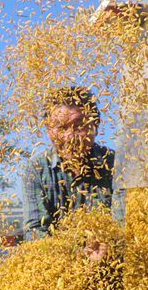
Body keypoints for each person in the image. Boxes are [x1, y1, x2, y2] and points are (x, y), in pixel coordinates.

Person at [22, 86, 115, 244]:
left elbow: (125, 223)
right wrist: (75, 253)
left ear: (96, 125)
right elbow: (35, 231)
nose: (70, 136)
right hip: (57, 262)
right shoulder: (37, 168)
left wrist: (108, 246)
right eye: (61, 127)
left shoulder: (116, 165)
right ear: (49, 130)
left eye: (79, 126)